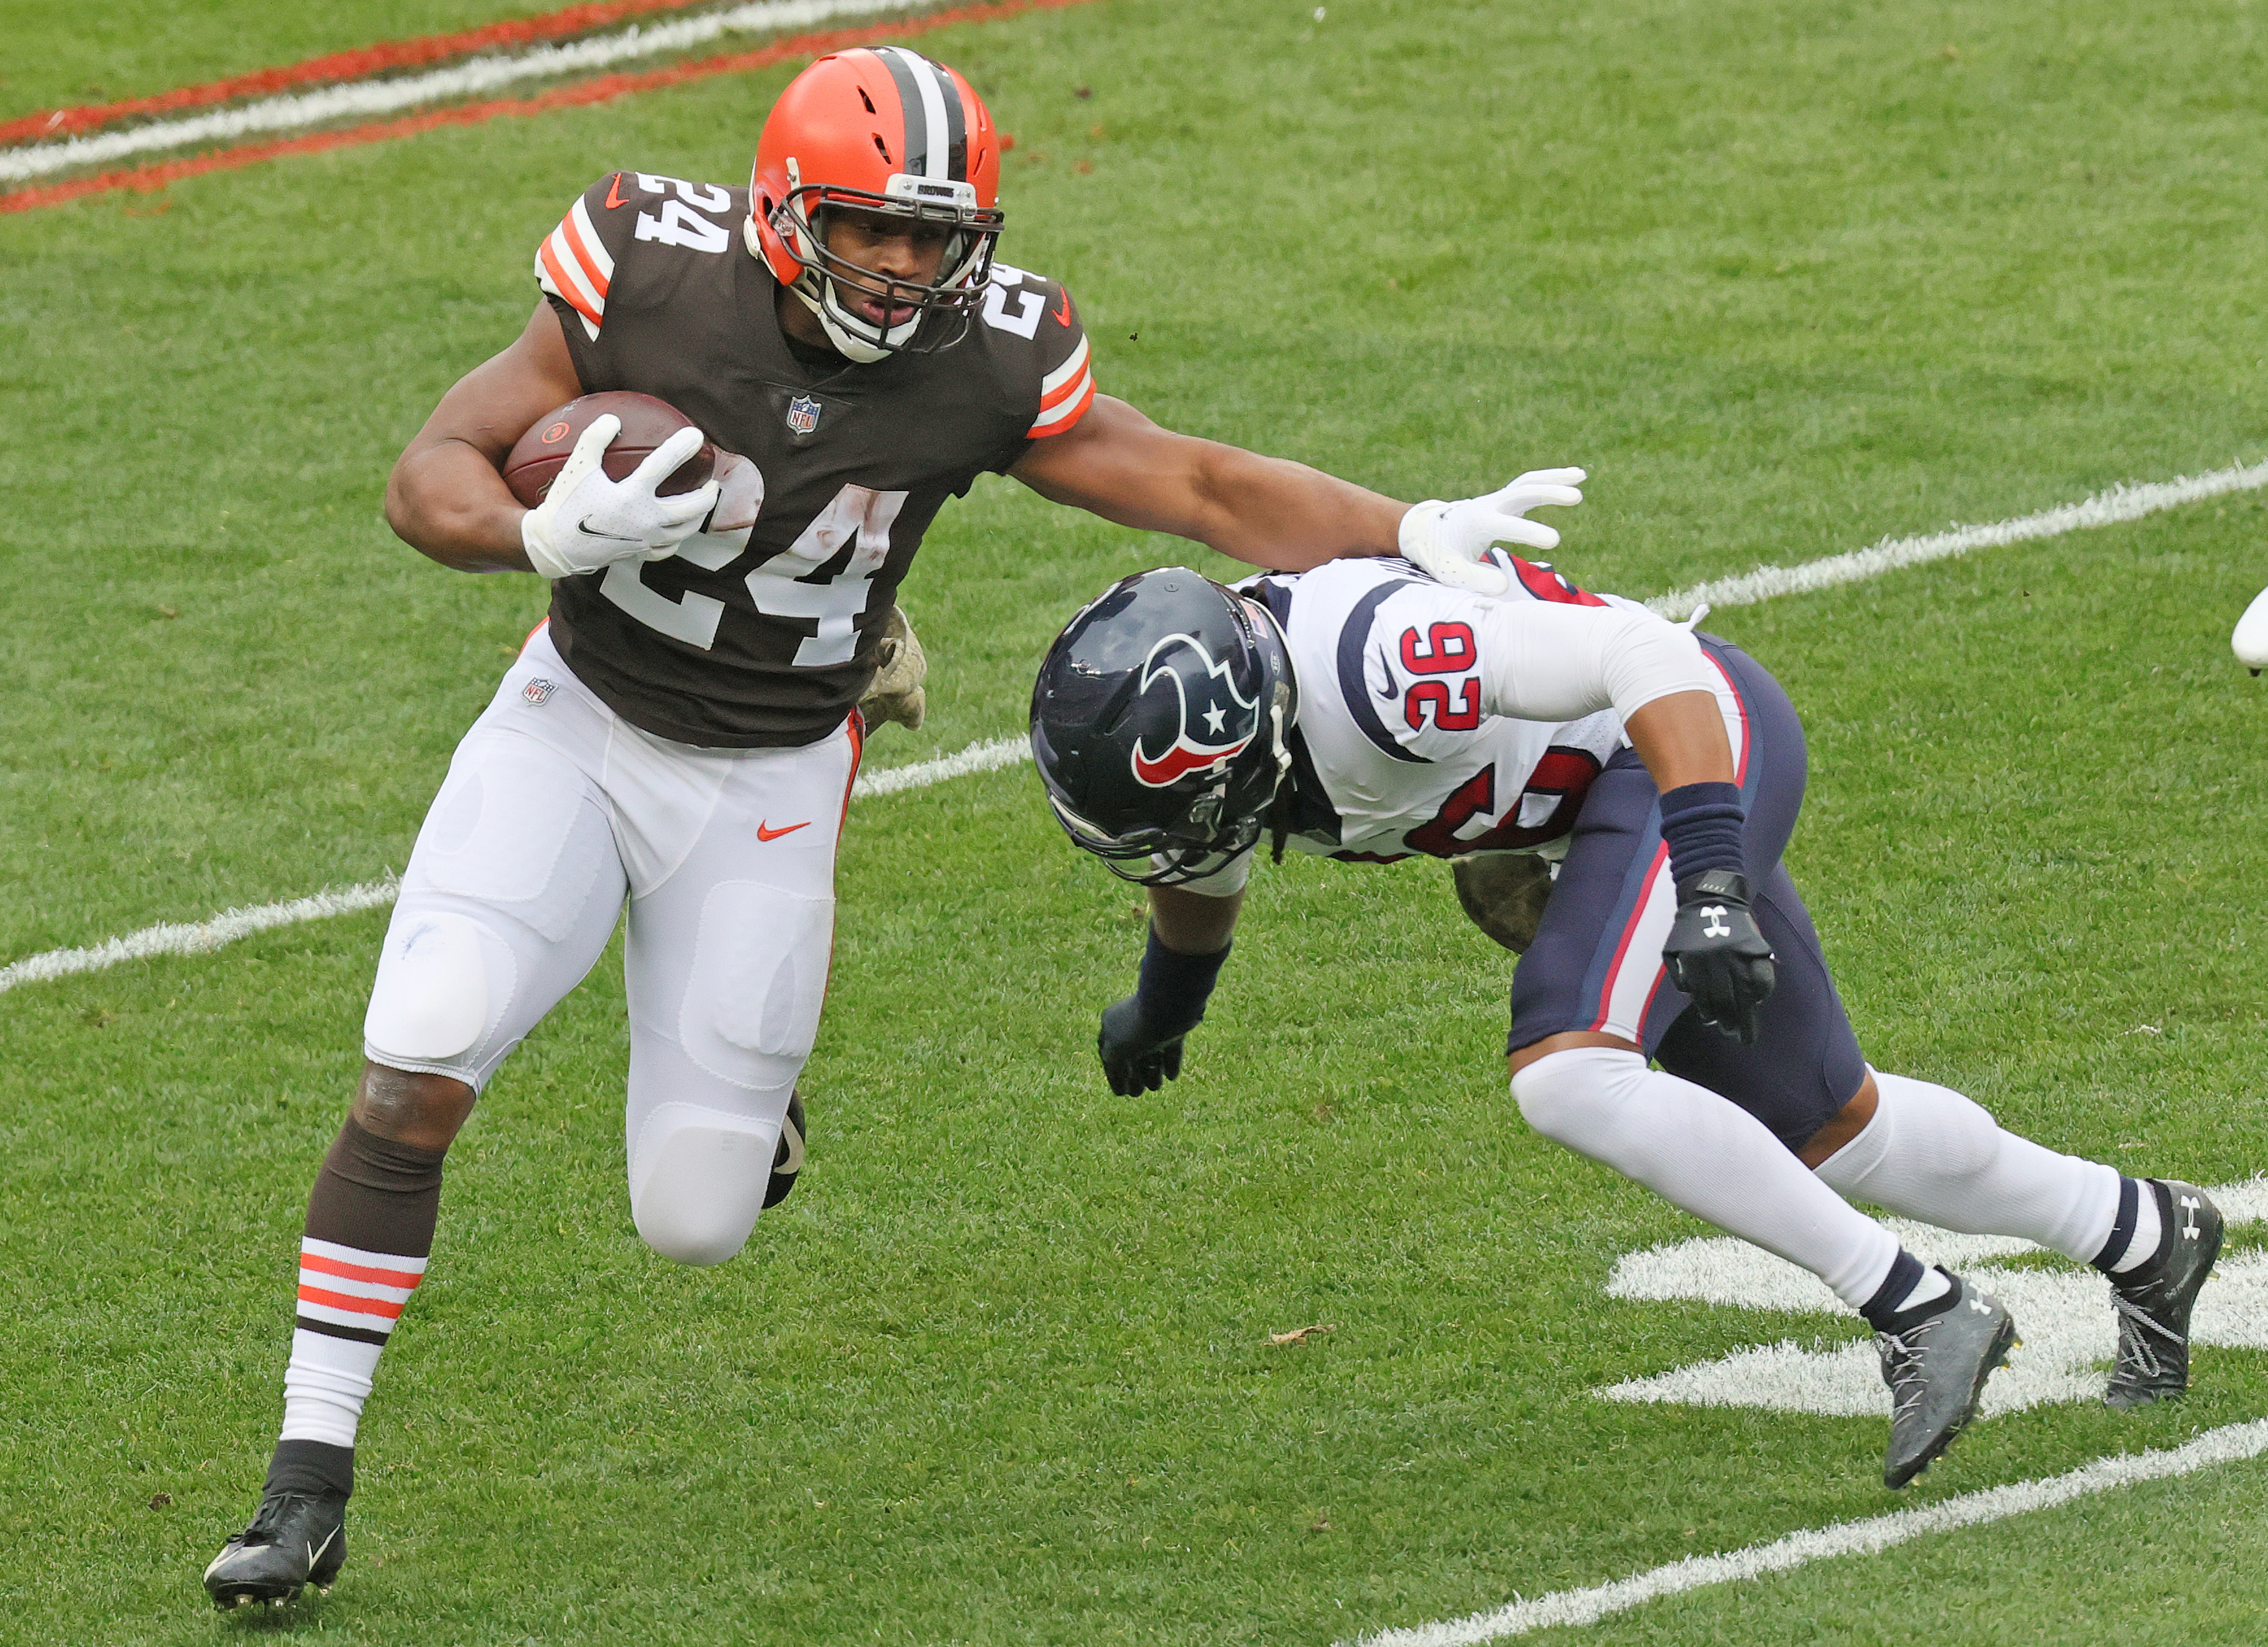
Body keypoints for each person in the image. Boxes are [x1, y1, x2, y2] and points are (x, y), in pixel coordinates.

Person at [202, 45, 1581, 1610]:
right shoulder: (647, 272)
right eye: (873, 230)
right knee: (420, 1048)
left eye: (936, 238)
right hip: (579, 719)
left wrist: (1406, 527)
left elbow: (1188, 480)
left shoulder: (983, 360)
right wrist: (535, 530)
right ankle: (305, 1483)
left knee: (696, 1217)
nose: (905, 266)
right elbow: (423, 475)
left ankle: (855, 710)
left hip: (773, 767)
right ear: (787, 211)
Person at [1027, 543, 2226, 1490]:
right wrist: (1164, 1006)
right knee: (1828, 1131)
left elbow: (1649, 658)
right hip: (1612, 805)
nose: (1176, 852)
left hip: (1686, 744)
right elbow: (1201, 859)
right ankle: (2142, 1233)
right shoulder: (1234, 731)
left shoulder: (1370, 661)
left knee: (1569, 1067)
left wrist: (1709, 879)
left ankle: (1919, 1309)